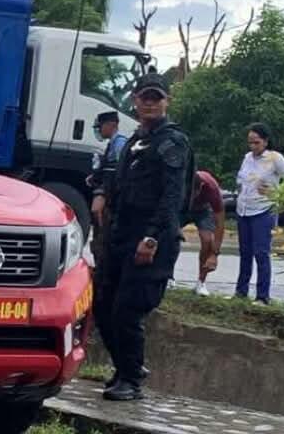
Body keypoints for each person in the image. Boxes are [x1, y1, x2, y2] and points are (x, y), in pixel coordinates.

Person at [94, 72, 191, 403]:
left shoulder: (172, 142)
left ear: (166, 102)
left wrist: (151, 238)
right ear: (135, 101)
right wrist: (102, 194)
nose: (150, 103)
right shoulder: (135, 140)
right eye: (144, 97)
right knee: (103, 305)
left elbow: (172, 196)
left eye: (156, 98)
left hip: (152, 236)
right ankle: (126, 366)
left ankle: (131, 379)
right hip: (121, 232)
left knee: (128, 310)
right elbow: (118, 180)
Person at [234, 122, 284, 304]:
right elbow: (242, 180)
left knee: (261, 253)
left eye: (256, 142)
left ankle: (262, 296)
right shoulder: (247, 158)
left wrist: (276, 192)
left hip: (263, 211)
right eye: (250, 142)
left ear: (265, 141)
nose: (253, 146)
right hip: (244, 210)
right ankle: (240, 292)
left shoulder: (274, 158)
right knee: (245, 253)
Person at [182, 169, 226, 297]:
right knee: (169, 236)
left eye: (194, 193)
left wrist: (214, 254)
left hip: (203, 210)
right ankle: (168, 276)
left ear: (201, 186)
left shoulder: (212, 187)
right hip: (182, 208)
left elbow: (220, 223)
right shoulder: (180, 182)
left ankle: (201, 283)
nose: (192, 196)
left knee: (207, 240)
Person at [88, 111, 128, 230]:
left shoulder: (120, 143)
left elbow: (121, 169)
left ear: (111, 125)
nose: (99, 130)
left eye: (100, 126)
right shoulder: (112, 143)